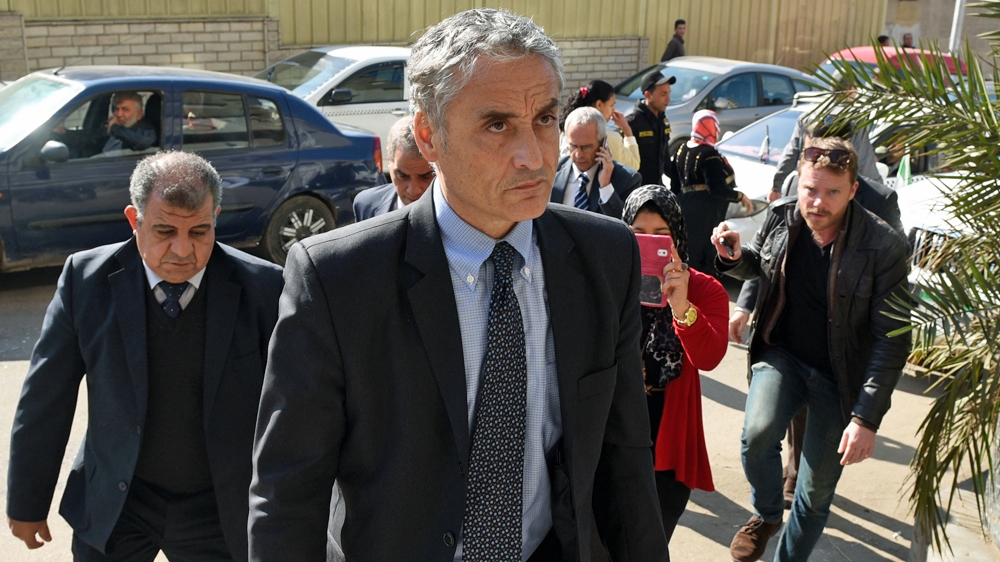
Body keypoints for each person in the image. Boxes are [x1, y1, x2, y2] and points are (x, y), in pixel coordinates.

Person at [249, 8, 669, 562]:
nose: (534, 156)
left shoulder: (605, 256)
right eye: (497, 125)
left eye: (545, 118)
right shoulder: (337, 279)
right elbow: (286, 496)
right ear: (429, 135)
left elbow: (624, 456)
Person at [6, 151, 284, 561]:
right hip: (118, 500)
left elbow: (293, 410)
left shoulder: (265, 290)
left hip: (220, 506)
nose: (183, 250)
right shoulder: (86, 282)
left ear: (216, 218)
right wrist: (27, 502)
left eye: (200, 231)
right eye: (164, 230)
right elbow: (46, 398)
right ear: (134, 220)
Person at [710, 137, 910, 562]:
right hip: (782, 355)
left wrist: (865, 418)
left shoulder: (884, 247)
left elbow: (892, 339)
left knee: (815, 492)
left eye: (832, 192)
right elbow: (761, 264)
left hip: (841, 378)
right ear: (797, 183)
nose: (818, 202)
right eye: (810, 189)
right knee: (757, 435)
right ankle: (767, 515)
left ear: (853, 190)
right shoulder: (783, 215)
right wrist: (734, 257)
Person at [622, 185, 724, 550]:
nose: (650, 244)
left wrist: (681, 307)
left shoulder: (705, 290)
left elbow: (709, 357)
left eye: (661, 235)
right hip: (612, 430)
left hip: (666, 433)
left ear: (677, 236)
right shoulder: (609, 280)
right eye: (638, 234)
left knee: (650, 542)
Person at [673, 110, 751, 276]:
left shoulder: (682, 148)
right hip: (705, 212)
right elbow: (717, 189)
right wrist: (740, 196)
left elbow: (675, 180)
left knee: (688, 252)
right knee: (705, 257)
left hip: (685, 205)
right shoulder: (710, 155)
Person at [768, 112, 879, 203]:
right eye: (813, 153)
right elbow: (791, 153)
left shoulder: (855, 124)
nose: (819, 202)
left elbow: (868, 170)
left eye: (837, 155)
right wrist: (776, 186)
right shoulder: (785, 210)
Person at [552, 107, 641, 219]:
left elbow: (625, 224)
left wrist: (605, 187)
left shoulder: (627, 180)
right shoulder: (553, 170)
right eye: (573, 146)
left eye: (586, 147)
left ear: (603, 143)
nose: (578, 155)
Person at [353, 115, 435, 221]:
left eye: (425, 176)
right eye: (402, 176)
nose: (413, 190)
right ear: (389, 160)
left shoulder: (455, 211)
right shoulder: (366, 205)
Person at [559, 80, 641, 170]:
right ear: (599, 104)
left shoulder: (563, 132)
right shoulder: (608, 138)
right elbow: (634, 165)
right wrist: (627, 129)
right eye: (612, 105)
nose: (614, 110)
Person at [626, 70, 681, 189]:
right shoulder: (632, 123)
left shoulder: (663, 121)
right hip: (636, 189)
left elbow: (665, 157)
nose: (668, 99)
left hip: (656, 187)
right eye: (663, 94)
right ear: (648, 95)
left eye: (669, 93)